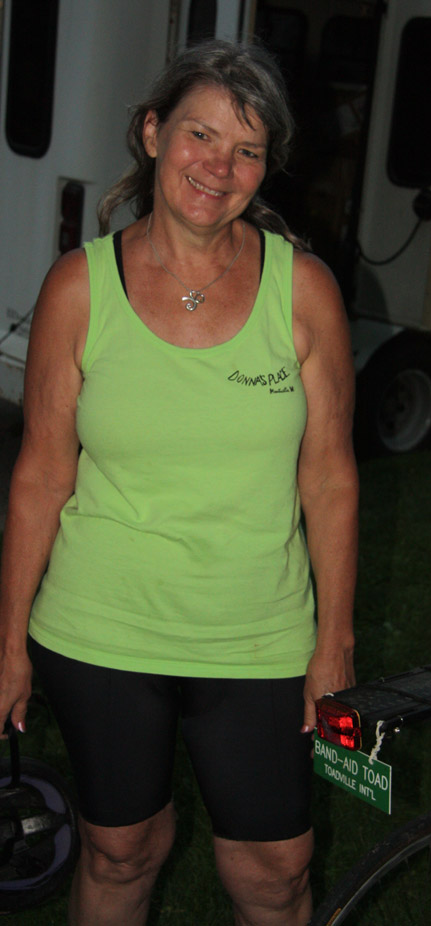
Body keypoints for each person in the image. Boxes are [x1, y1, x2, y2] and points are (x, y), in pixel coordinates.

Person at [0, 39, 358, 926]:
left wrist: (335, 642)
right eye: (201, 135)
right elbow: (40, 474)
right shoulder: (79, 288)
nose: (218, 168)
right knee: (120, 850)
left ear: (267, 167)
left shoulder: (304, 291)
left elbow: (329, 477)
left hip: (259, 634)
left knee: (276, 873)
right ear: (154, 133)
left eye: (247, 149)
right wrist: (8, 643)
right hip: (100, 628)